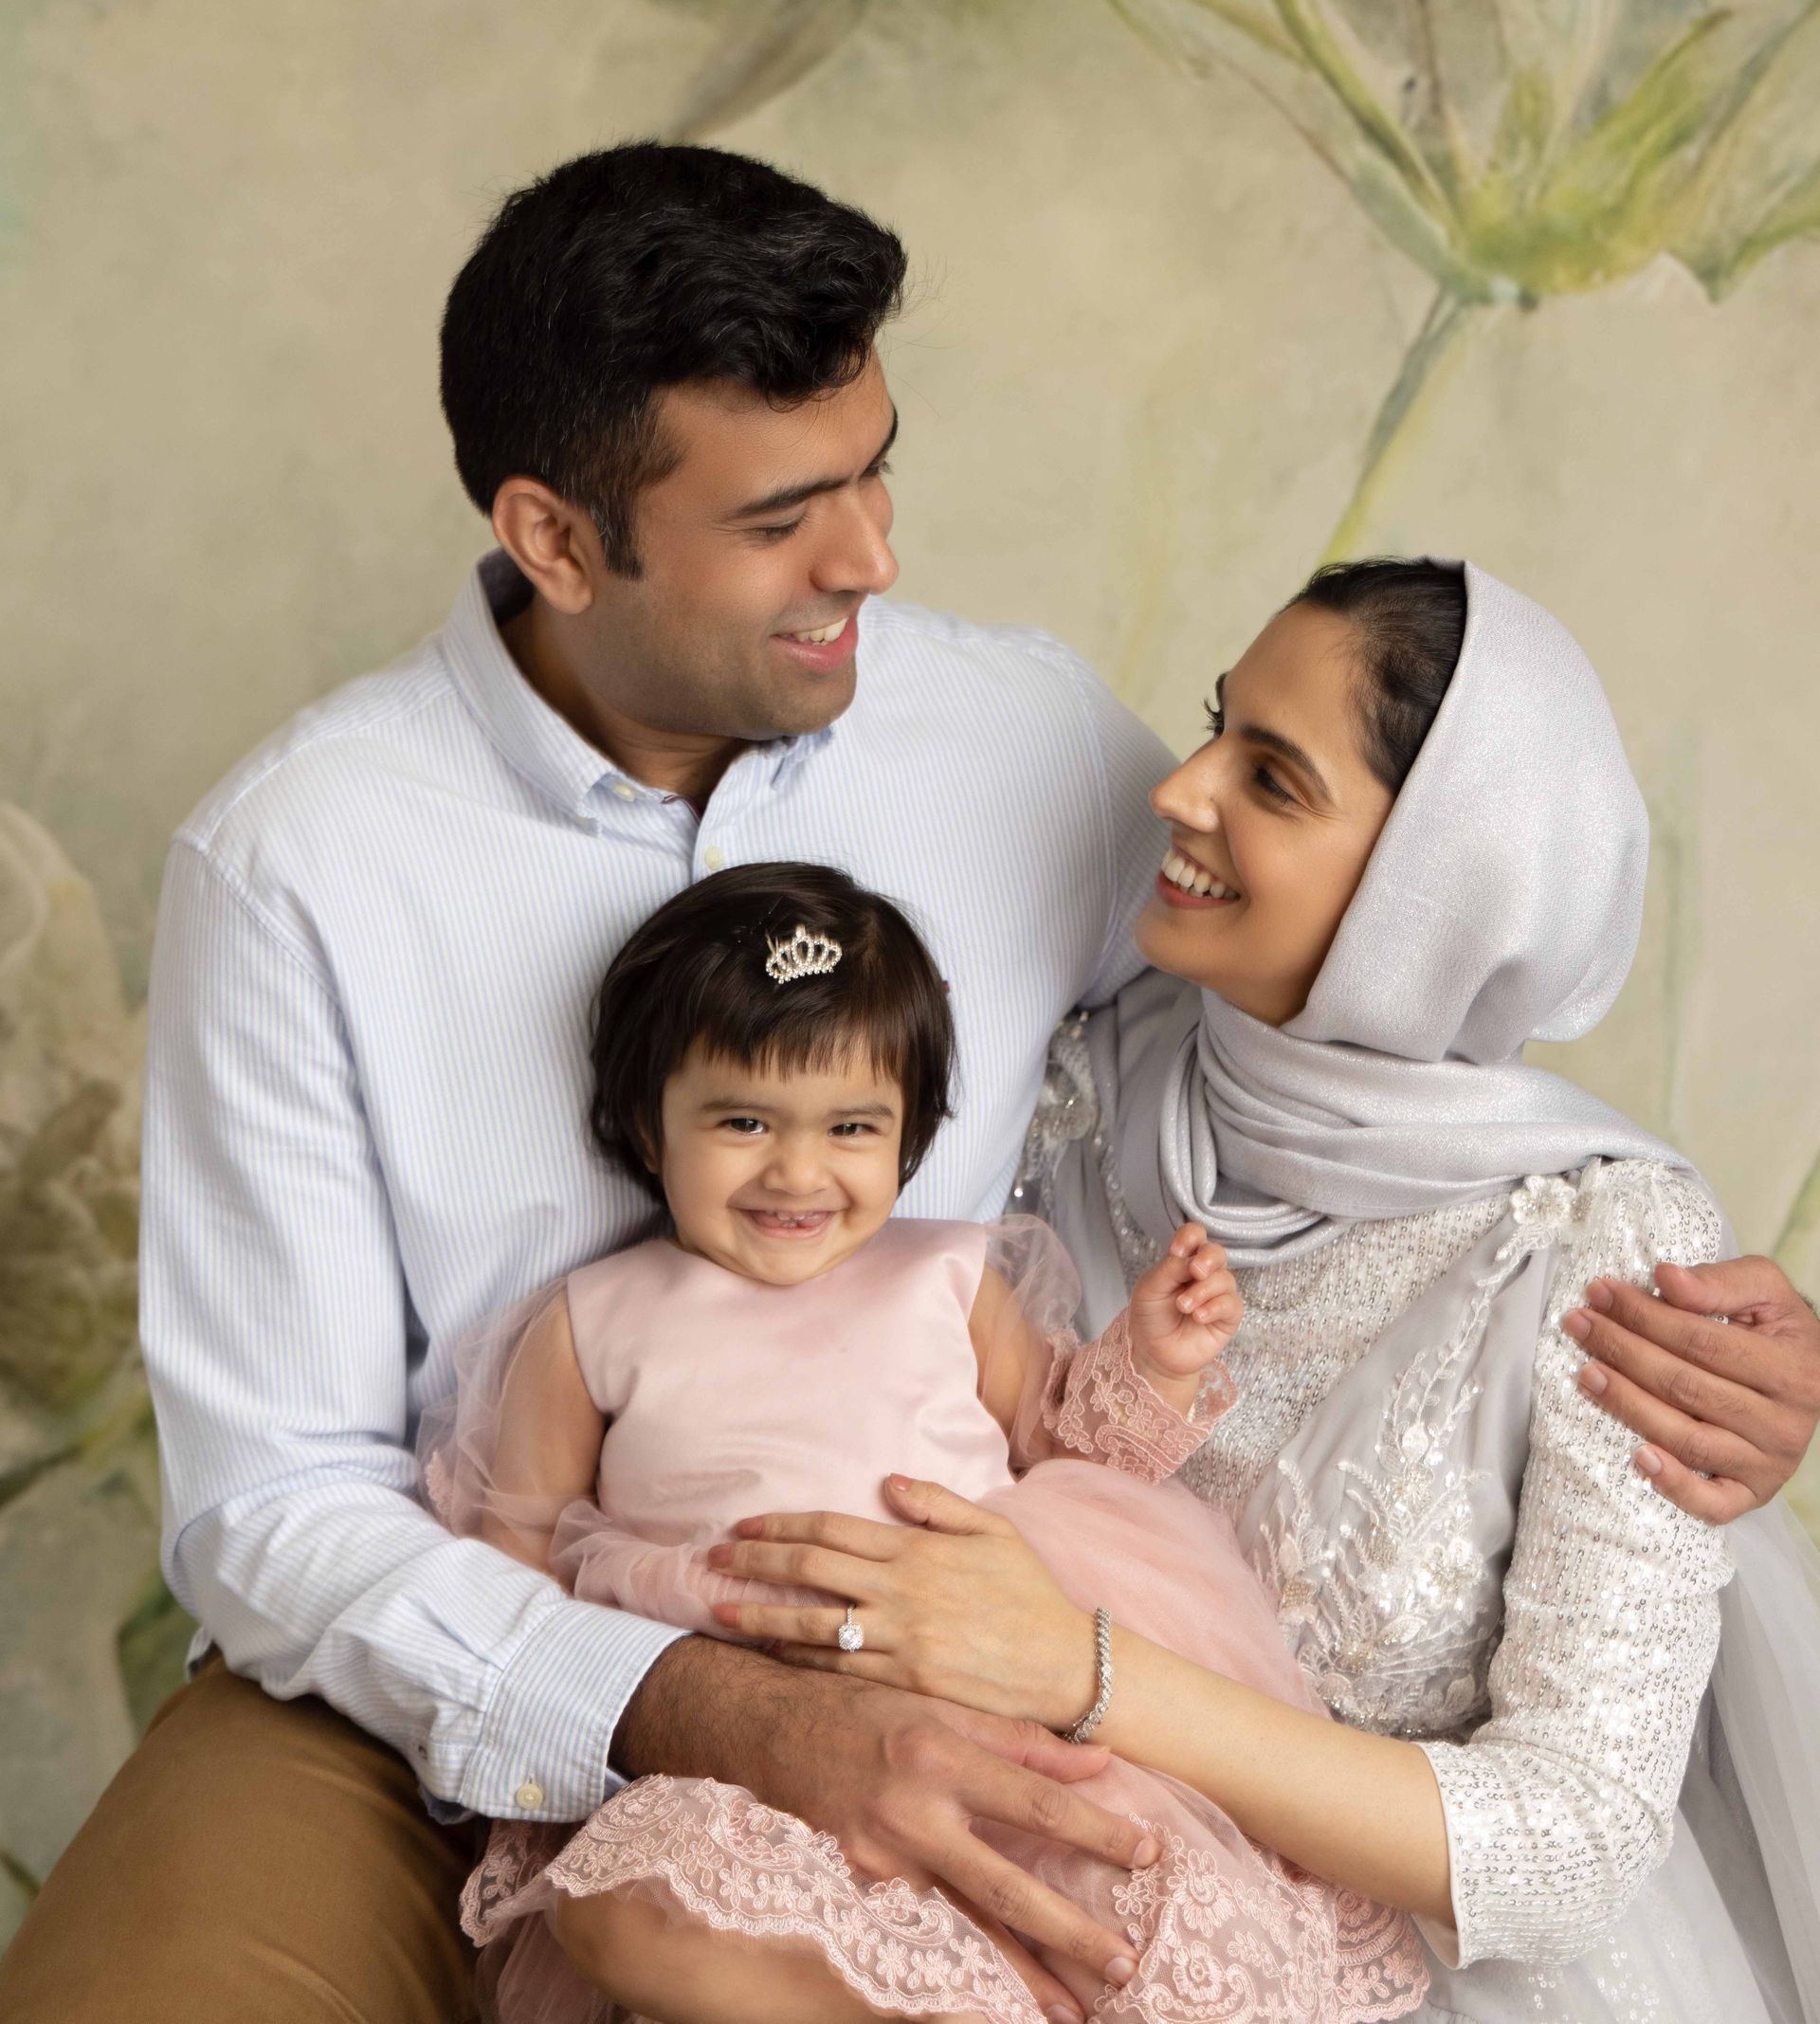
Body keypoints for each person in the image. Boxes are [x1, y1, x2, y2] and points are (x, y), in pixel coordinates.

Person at [3, 150, 1815, 2021]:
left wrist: (1704, 1339)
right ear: (555, 537)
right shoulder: (302, 864)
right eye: (788, 511)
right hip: (475, 1642)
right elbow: (283, 1501)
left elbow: (1350, 1020)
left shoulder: (1014, 732)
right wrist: (705, 1704)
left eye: (877, 466)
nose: (871, 553)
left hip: (977, 1621)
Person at [717, 560, 1820, 2022]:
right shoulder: (1065, 1089)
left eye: (1273, 777)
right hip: (1048, 1911)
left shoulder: (1595, 1238)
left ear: (1441, 881)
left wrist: (1079, 1666)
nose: (1178, 789)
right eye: (1214, 725)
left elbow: (1579, 1841)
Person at [422, 858, 1429, 2024]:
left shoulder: (944, 1274)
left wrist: (1150, 1360)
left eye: (850, 1125)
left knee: (1122, 1882)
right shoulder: (595, 1317)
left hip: (991, 1693)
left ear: (907, 1134)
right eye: (742, 1120)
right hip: (736, 1746)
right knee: (625, 1907)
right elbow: (519, 1555)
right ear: (651, 1119)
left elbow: (1066, 1445)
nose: (797, 1170)